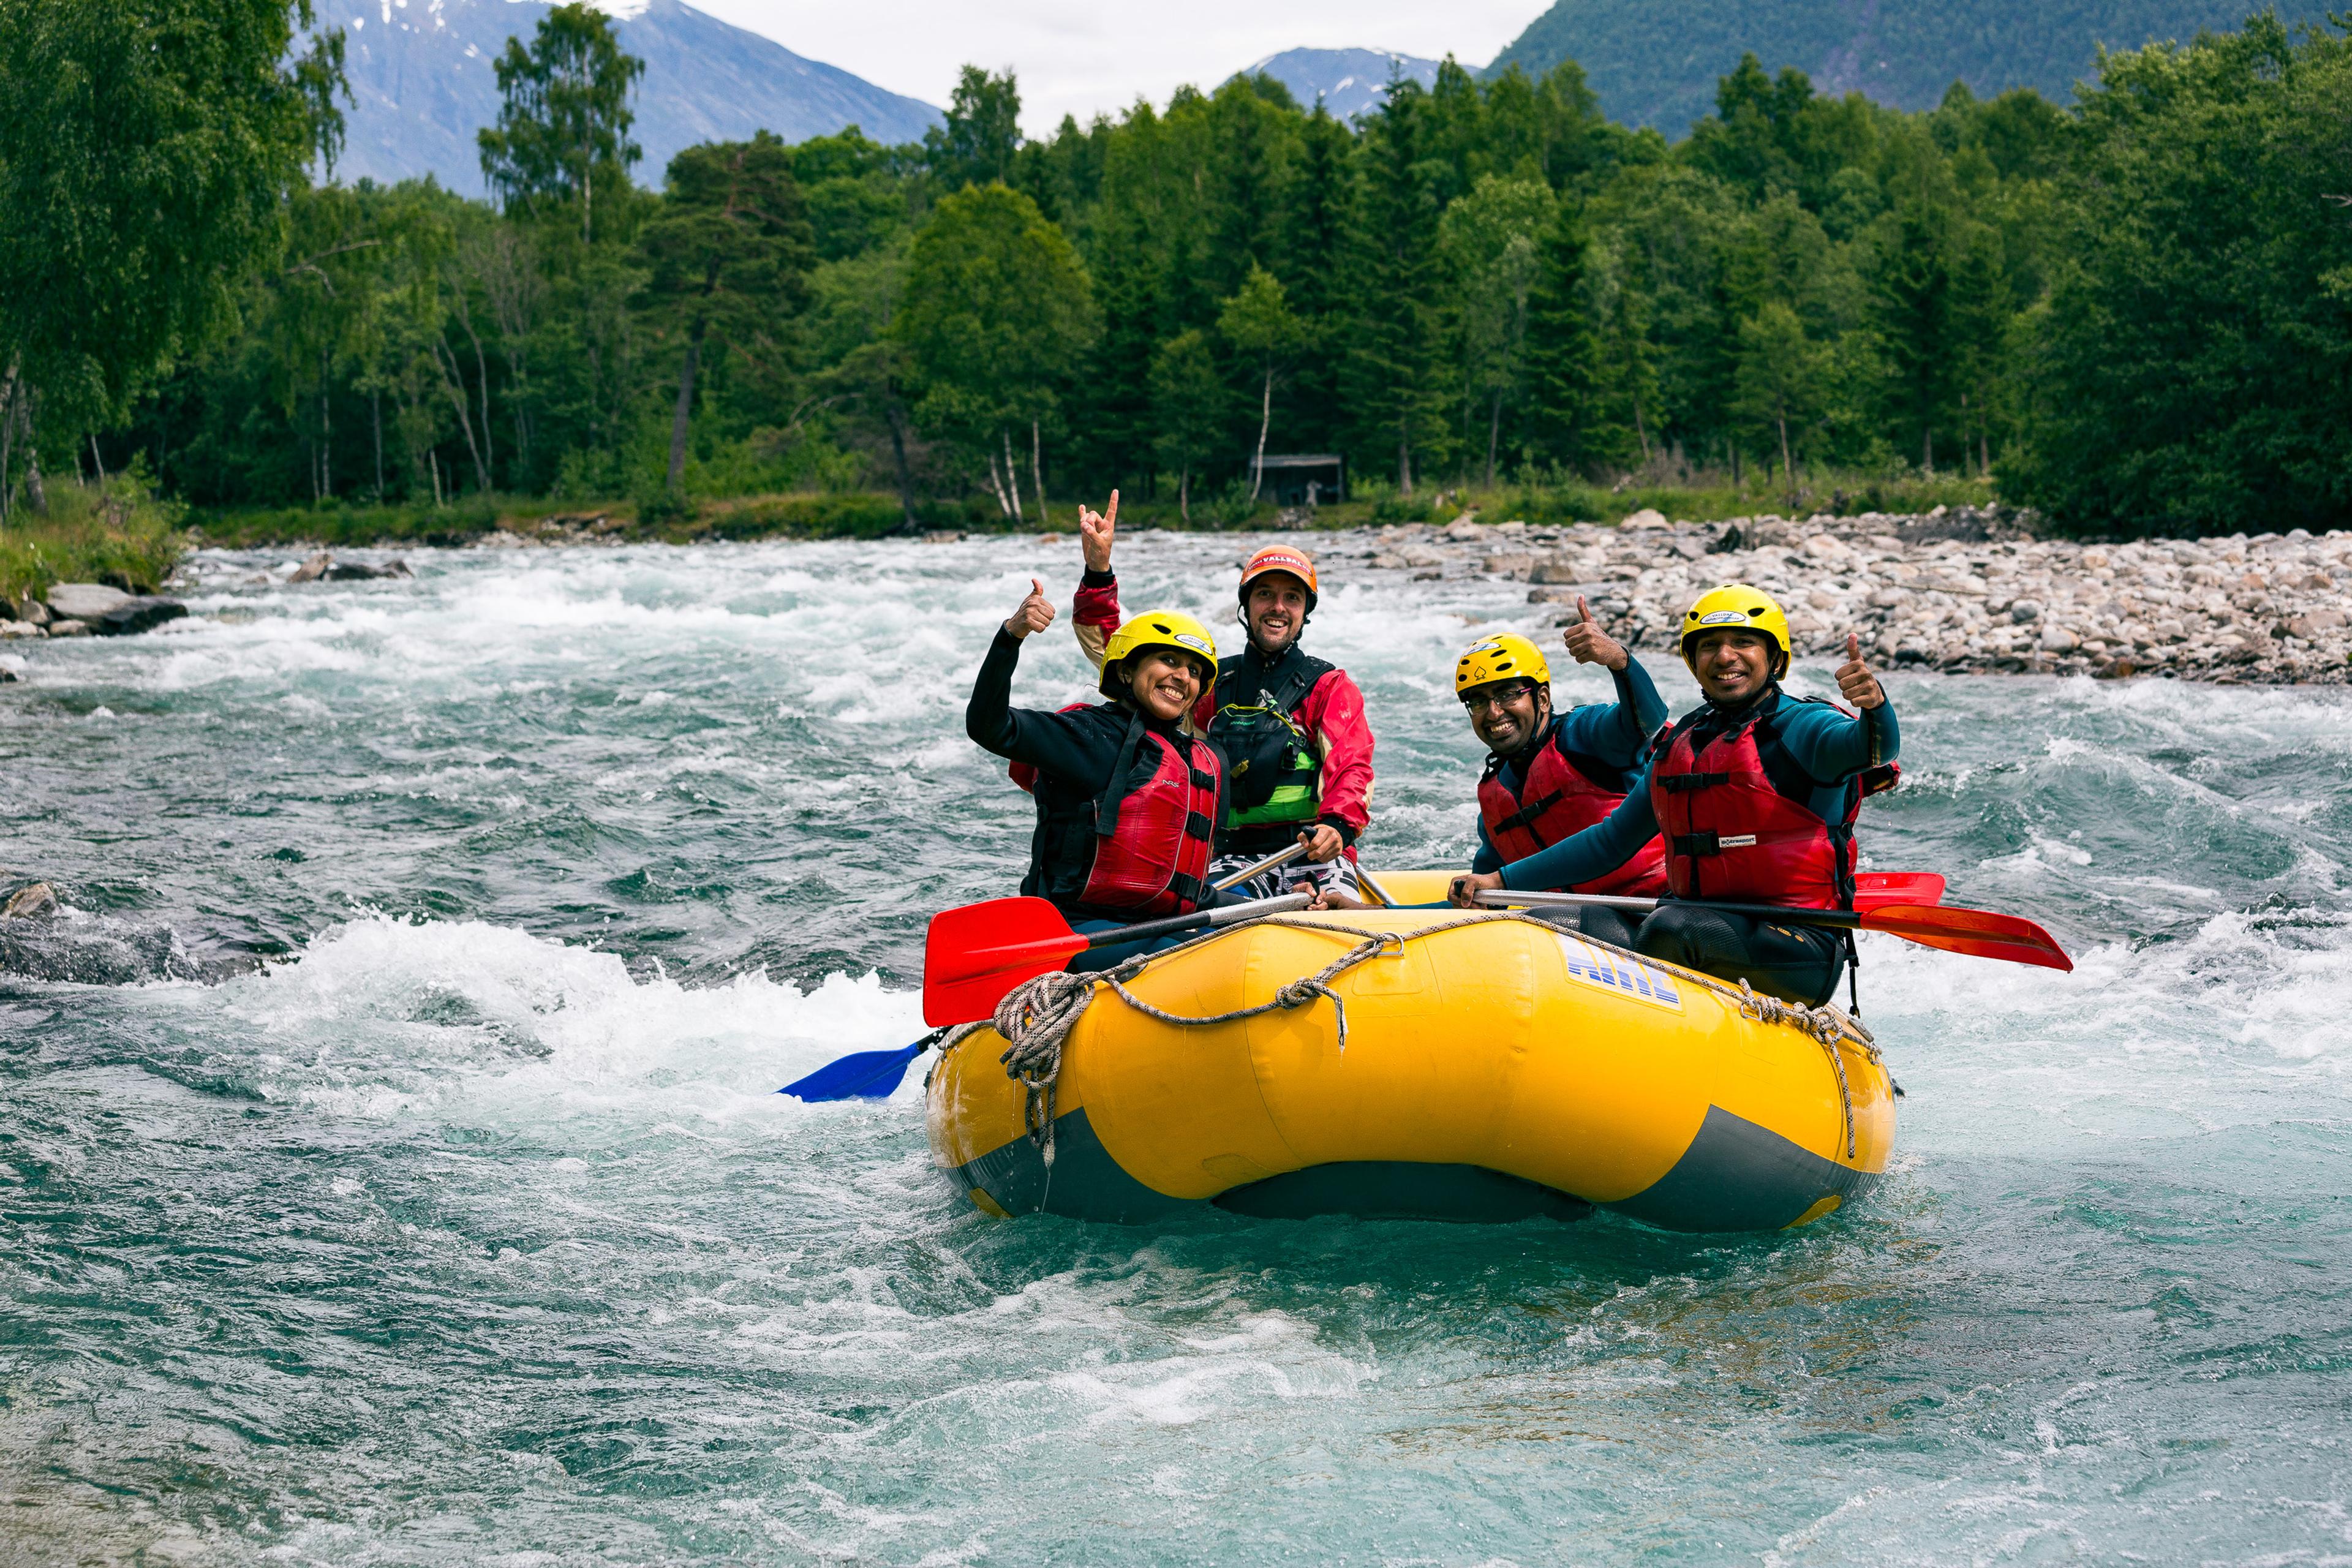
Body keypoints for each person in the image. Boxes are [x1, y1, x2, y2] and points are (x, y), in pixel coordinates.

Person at [1449, 585, 1901, 1009]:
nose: (1725, 656)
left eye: (1743, 643)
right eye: (1709, 646)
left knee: (1672, 927)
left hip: (1797, 943)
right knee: (1547, 924)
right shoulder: (1683, 743)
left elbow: (1873, 748)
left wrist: (1875, 707)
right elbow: (1610, 841)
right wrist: (1501, 882)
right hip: (1693, 924)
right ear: (1693, 660)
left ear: (1775, 657)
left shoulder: (1805, 727)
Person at [1069, 492, 1376, 906]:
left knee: (1336, 915)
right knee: (1214, 916)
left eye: (1292, 597)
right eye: (1265, 594)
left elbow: (1353, 765)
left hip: (1315, 853)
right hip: (1231, 857)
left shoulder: (1330, 687)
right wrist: (1098, 572)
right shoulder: (1208, 683)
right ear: (1246, 605)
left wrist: (1339, 826)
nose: (1278, 608)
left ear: (1305, 611)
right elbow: (1120, 652)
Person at [967, 578, 1229, 965]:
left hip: (1159, 927)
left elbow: (1193, 892)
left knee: (1267, 930)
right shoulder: (1088, 735)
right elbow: (989, 726)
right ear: (1127, 671)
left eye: (1194, 671)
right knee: (1201, 959)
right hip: (1074, 932)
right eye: (1169, 661)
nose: (1183, 677)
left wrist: (1287, 906)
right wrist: (1010, 638)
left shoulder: (1199, 760)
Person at [1460, 598, 1670, 897]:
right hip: (1567, 920)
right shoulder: (1494, 797)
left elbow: (1649, 722)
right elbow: (1479, 898)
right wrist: (1393, 914)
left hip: (1655, 905)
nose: (1493, 713)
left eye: (1507, 695)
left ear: (1542, 699)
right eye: (1478, 702)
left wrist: (1620, 661)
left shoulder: (1582, 735)